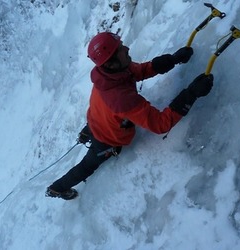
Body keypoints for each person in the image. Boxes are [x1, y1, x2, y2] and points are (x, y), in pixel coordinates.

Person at [46, 32, 213, 200]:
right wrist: (191, 94)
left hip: (97, 118)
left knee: (103, 120)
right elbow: (161, 124)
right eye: (120, 49)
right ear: (111, 63)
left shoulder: (109, 74)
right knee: (87, 166)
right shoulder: (121, 99)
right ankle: (57, 188)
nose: (126, 48)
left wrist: (173, 59)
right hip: (106, 138)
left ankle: (86, 132)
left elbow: (139, 71)